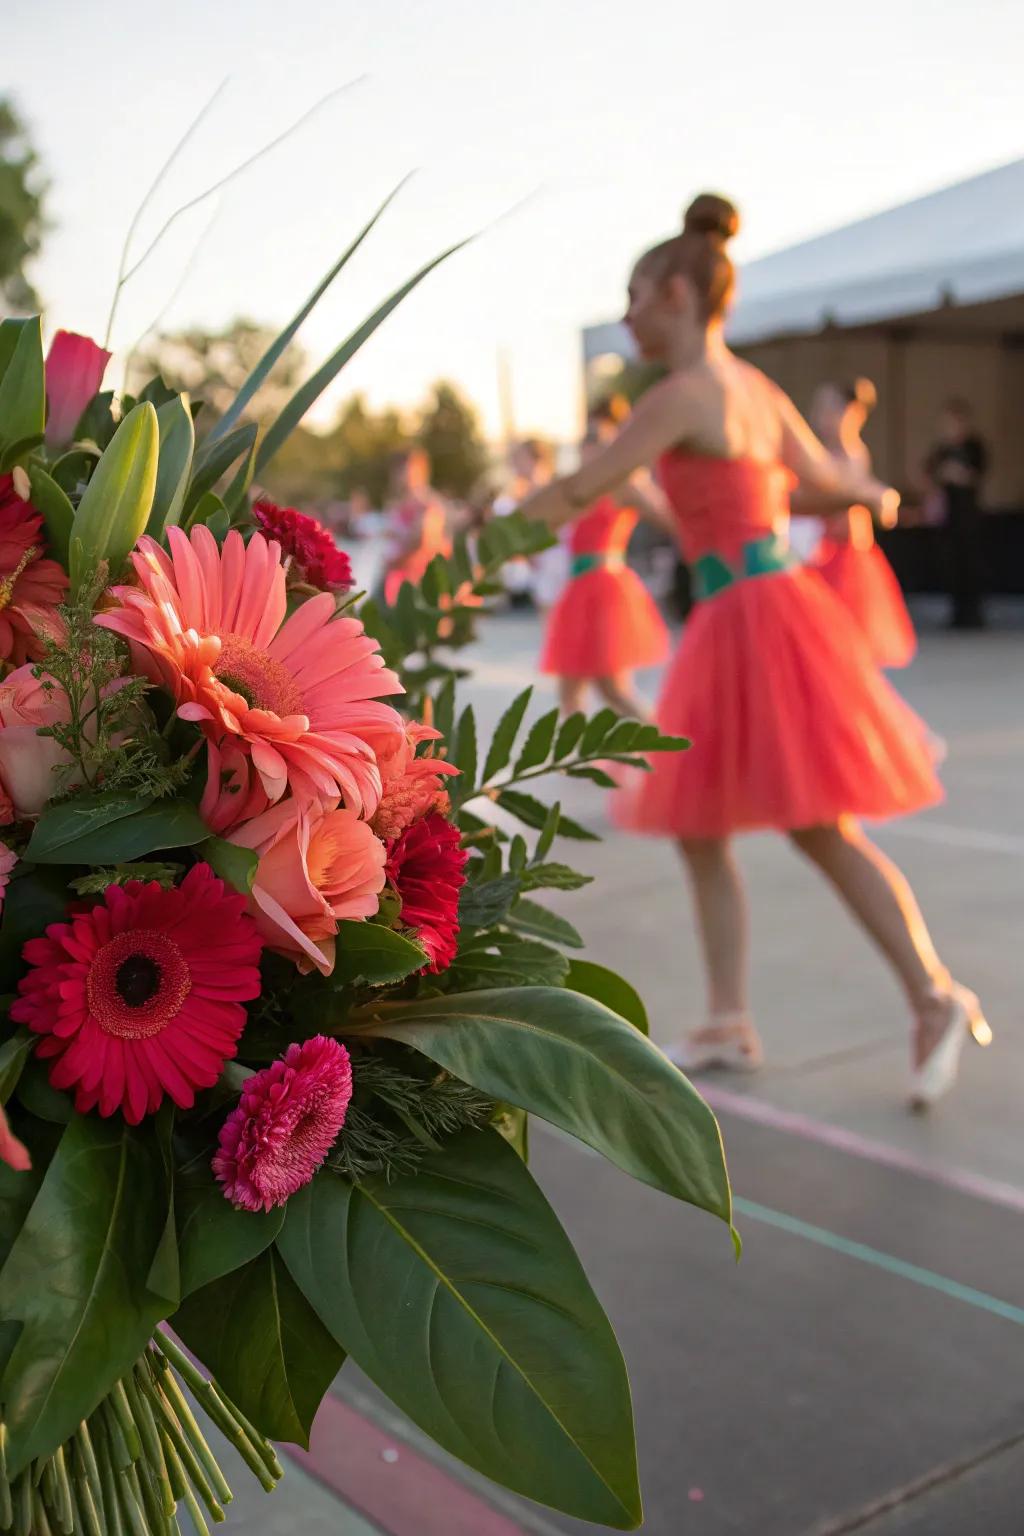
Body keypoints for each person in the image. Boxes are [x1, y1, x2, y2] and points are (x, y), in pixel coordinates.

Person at [521, 192, 990, 1110]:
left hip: (752, 623)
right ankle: (732, 1018)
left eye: (637, 293)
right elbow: (818, 489)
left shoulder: (682, 397)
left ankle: (934, 996)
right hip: (764, 612)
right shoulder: (755, 392)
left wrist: (469, 554)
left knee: (816, 828)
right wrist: (870, 496)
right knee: (711, 830)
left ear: (681, 295)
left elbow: (581, 485)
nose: (626, 313)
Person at [539, 400, 670, 717]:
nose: (590, 452)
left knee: (613, 688)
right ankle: (583, 759)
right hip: (579, 588)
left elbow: (667, 514)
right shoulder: (581, 488)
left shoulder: (624, 485)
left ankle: (662, 746)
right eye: (587, 445)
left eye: (597, 446)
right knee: (570, 690)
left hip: (606, 589)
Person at [802, 378, 916, 669]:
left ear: (852, 413)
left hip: (847, 554)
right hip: (822, 552)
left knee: (846, 634)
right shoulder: (819, 455)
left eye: (829, 408)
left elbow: (856, 496)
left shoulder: (851, 454)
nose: (820, 417)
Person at [924, 399, 989, 629]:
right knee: (951, 564)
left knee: (971, 564)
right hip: (948, 516)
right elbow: (929, 474)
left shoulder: (974, 447)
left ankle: (974, 614)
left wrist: (958, 474)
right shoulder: (942, 449)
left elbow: (978, 475)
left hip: (968, 515)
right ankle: (956, 613)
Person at [493, 438, 558, 608]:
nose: (514, 465)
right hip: (541, 571)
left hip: (556, 565)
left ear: (535, 460)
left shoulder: (552, 492)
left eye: (519, 458)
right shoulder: (518, 496)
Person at [382, 448, 451, 605]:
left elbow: (424, 544)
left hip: (422, 582)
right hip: (398, 581)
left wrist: (392, 562)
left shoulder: (428, 505)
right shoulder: (395, 504)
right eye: (395, 470)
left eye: (403, 468)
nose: (398, 475)